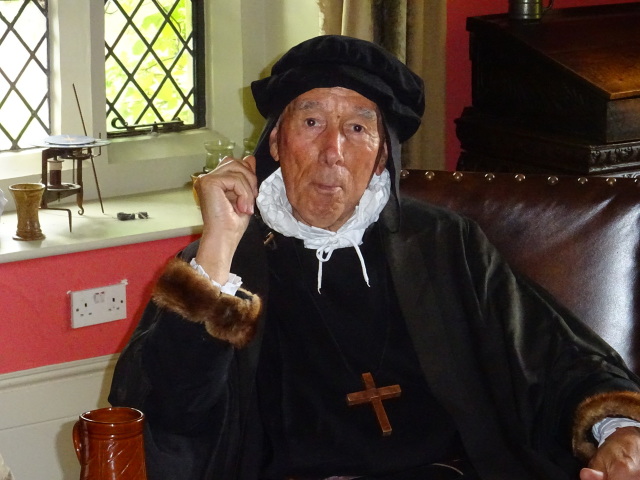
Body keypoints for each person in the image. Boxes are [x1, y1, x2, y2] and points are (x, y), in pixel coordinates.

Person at [109, 35, 640, 480]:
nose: (333, 151)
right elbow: (167, 409)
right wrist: (219, 245)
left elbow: (552, 355)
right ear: (274, 143)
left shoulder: (442, 244)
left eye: (358, 128)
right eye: (311, 122)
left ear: (383, 153)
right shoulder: (227, 264)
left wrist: (618, 431)